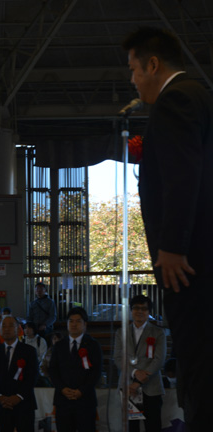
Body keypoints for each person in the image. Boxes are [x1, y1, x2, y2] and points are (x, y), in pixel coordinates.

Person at [123, 27, 213, 430]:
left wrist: (173, 246)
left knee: (198, 360)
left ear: (153, 64)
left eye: (134, 69)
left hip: (190, 259)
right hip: (202, 252)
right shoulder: (200, 95)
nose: (132, 79)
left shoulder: (175, 100)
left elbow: (182, 176)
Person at [113, 295, 167, 432]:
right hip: (128, 386)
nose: (140, 311)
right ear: (131, 310)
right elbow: (118, 358)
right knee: (132, 428)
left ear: (149, 312)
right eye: (136, 308)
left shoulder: (158, 332)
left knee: (153, 427)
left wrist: (138, 382)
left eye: (144, 308)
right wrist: (135, 372)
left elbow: (159, 360)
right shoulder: (121, 332)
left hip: (151, 387)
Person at [48, 307, 102, 432]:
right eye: (71, 321)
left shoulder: (93, 345)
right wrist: (62, 388)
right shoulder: (59, 345)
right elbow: (53, 370)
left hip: (85, 401)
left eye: (78, 321)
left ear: (85, 324)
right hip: (63, 400)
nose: (74, 324)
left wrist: (81, 391)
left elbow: (96, 372)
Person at [0, 316, 39, 432]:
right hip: (2, 405)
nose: (7, 329)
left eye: (11, 325)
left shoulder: (29, 351)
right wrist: (0, 397)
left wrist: (18, 397)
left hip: (24, 404)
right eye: (3, 326)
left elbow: (32, 377)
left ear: (18, 329)